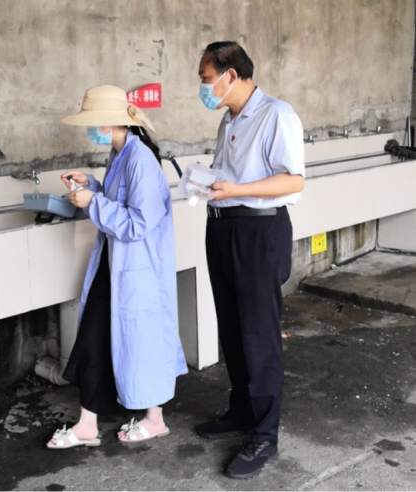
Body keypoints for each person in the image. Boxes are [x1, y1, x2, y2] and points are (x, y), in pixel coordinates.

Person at [47, 85, 187, 449]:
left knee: (141, 339)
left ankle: (154, 419)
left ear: (111, 122)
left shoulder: (139, 159)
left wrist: (92, 201)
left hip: (138, 268)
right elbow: (118, 202)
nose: (92, 130)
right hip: (116, 264)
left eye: (95, 122)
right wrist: (91, 185)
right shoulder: (120, 153)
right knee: (96, 336)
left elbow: (138, 222)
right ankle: (88, 424)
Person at [196, 41, 305, 479]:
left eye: (207, 79)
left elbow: (293, 181)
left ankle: (263, 436)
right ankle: (241, 410)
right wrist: (206, 184)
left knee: (258, 333)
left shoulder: (277, 115)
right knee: (232, 327)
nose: (204, 88)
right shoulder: (229, 120)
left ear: (231, 75)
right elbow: (229, 177)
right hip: (223, 227)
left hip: (258, 230)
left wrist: (237, 191)